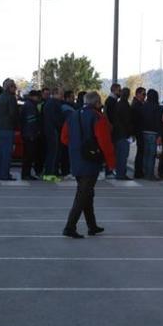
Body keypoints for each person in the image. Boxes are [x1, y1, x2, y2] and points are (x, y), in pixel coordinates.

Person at [60, 91, 116, 239]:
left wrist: (76, 146)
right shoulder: (98, 117)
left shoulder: (73, 115)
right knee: (83, 194)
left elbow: (64, 138)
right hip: (90, 160)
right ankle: (70, 226)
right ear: (97, 103)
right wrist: (111, 162)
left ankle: (92, 226)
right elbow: (105, 142)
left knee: (87, 193)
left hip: (76, 158)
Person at [0, 79, 19, 181]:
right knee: (7, 153)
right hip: (8, 128)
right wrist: (17, 124)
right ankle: (5, 174)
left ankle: (0, 173)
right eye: (14, 87)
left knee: (1, 152)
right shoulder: (11, 98)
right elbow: (13, 114)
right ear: (10, 87)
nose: (16, 89)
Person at [137, 89, 163, 180]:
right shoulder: (159, 108)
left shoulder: (143, 107)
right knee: (151, 155)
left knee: (145, 154)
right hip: (154, 133)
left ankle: (145, 172)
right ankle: (150, 174)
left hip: (144, 132)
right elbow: (159, 123)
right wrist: (160, 135)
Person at [42, 88, 64, 182]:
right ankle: (50, 173)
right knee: (53, 153)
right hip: (53, 130)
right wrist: (61, 125)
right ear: (56, 94)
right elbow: (56, 118)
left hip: (50, 130)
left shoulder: (49, 103)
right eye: (61, 94)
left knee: (52, 152)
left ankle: (50, 172)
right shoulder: (54, 104)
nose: (62, 96)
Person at [112, 87, 133, 180]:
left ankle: (119, 172)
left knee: (119, 155)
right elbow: (128, 121)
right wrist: (130, 133)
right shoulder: (126, 105)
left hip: (117, 133)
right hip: (124, 133)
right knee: (123, 155)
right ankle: (121, 173)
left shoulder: (117, 104)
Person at [20, 90, 41, 180]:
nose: (38, 99)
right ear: (33, 96)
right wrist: (33, 133)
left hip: (27, 133)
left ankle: (26, 173)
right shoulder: (30, 106)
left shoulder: (28, 104)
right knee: (29, 155)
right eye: (37, 97)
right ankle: (26, 174)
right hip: (30, 134)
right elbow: (31, 121)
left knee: (28, 155)